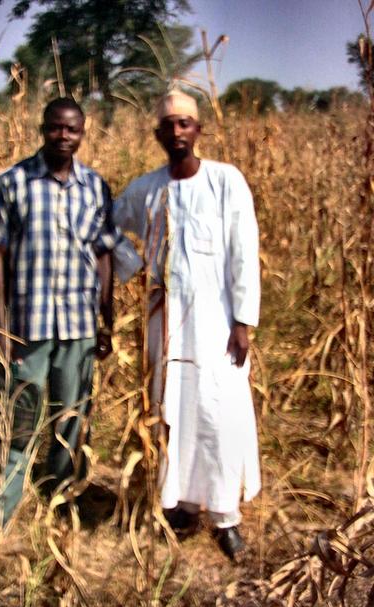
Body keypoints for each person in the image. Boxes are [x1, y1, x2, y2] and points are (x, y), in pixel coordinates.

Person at [113, 90, 261, 560]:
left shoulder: (225, 181)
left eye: (185, 124)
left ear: (198, 130)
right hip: (166, 321)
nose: (176, 132)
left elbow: (243, 251)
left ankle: (225, 516)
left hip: (218, 321)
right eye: (168, 126)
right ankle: (180, 504)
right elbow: (106, 225)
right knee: (173, 407)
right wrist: (134, 265)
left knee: (218, 412)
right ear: (157, 134)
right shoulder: (146, 189)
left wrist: (242, 321)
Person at [0, 97, 119, 550]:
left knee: (72, 418)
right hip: (27, 326)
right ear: (42, 128)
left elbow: (104, 254)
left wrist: (107, 320)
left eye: (72, 130)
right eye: (55, 128)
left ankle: (61, 496)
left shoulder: (95, 186)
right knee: (22, 420)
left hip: (78, 325)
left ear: (82, 132)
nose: (63, 137)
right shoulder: (12, 182)